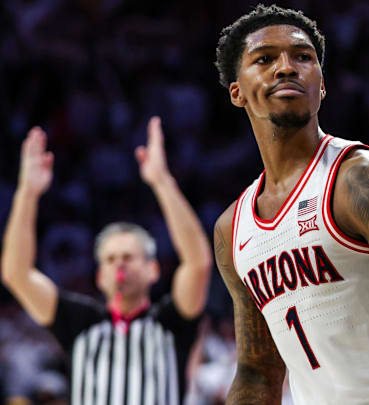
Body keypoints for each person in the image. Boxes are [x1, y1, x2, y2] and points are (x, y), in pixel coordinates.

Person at [212, 4, 369, 405]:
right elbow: (257, 371)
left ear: (322, 84)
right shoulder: (233, 229)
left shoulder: (363, 179)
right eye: (265, 59)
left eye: (303, 57)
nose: (286, 67)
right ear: (237, 91)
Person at [1, 117, 213, 404]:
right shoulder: (79, 322)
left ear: (153, 270)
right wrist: (27, 192)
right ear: (99, 276)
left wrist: (162, 181)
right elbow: (16, 273)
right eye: (110, 259)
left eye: (128, 257)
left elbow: (197, 263)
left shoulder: (171, 322)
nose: (119, 264)